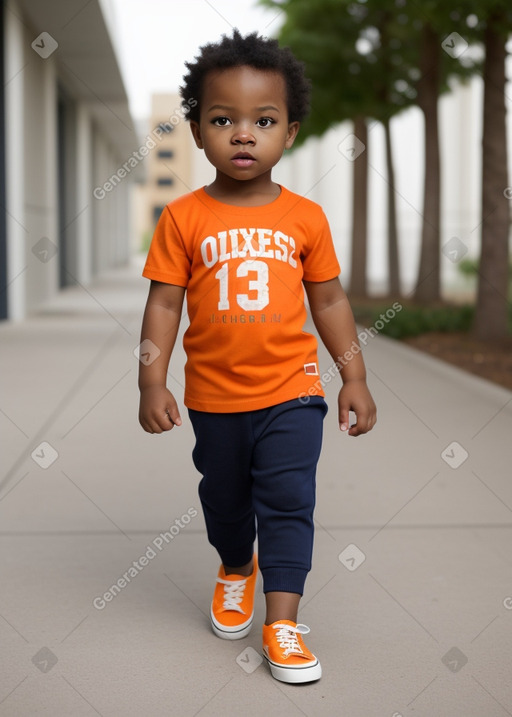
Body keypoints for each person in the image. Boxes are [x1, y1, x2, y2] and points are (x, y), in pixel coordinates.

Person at [138, 29, 376, 684]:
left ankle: (284, 621)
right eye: (224, 119)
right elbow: (163, 305)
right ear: (196, 130)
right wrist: (150, 381)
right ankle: (235, 565)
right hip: (214, 398)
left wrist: (353, 373)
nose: (244, 134)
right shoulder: (183, 218)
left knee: (289, 499)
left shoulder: (305, 218)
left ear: (290, 132)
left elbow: (328, 302)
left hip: (292, 391)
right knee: (225, 500)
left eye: (263, 121)